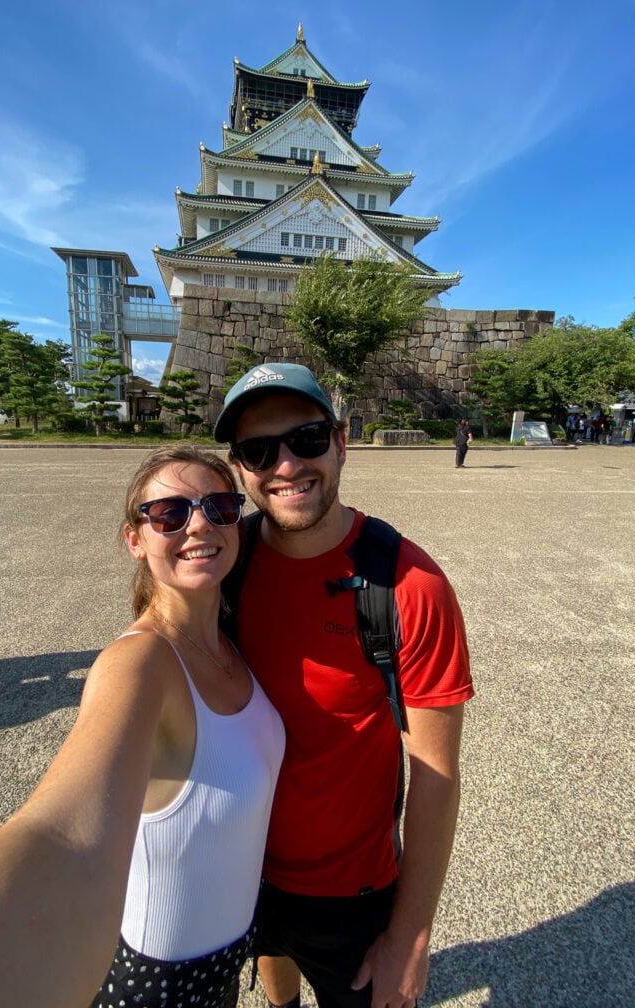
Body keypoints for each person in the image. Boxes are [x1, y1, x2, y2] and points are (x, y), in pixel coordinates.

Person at [0, 446, 285, 1008]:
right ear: (135, 539)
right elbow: (62, 831)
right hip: (159, 987)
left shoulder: (231, 644)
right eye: (170, 514)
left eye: (219, 506)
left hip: (224, 966)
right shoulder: (141, 664)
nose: (199, 522)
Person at [213, 363, 474, 1008]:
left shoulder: (409, 586)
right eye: (259, 450)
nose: (285, 466)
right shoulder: (222, 567)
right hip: (240, 870)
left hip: (353, 890)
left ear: (340, 442)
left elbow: (436, 777)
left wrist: (410, 936)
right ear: (240, 468)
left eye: (305, 439)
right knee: (272, 959)